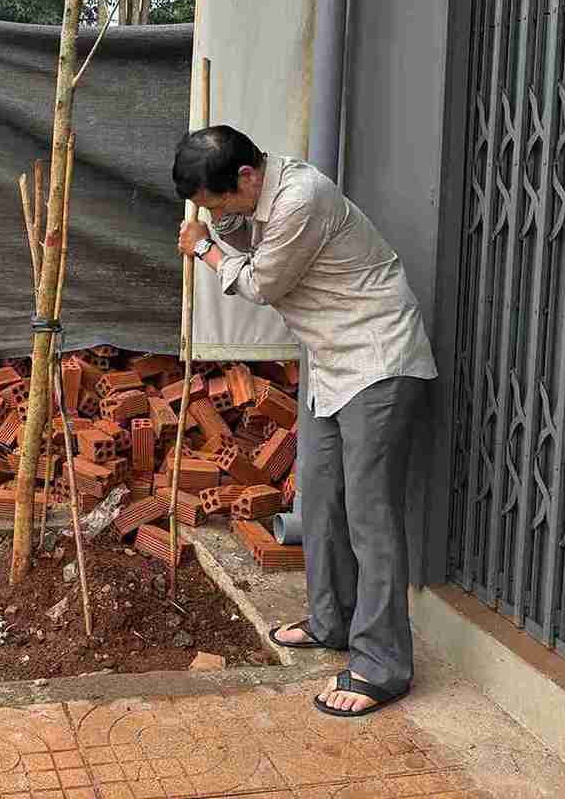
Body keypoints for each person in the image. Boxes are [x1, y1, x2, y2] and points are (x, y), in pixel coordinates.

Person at [172, 125, 436, 717]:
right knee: (318, 497)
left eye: (217, 201)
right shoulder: (258, 192)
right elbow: (243, 229)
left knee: (372, 519)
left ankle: (382, 665)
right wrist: (220, 222)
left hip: (377, 360)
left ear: (246, 176)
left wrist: (205, 248)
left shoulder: (302, 198)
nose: (214, 214)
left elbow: (263, 282)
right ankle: (331, 620)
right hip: (330, 361)